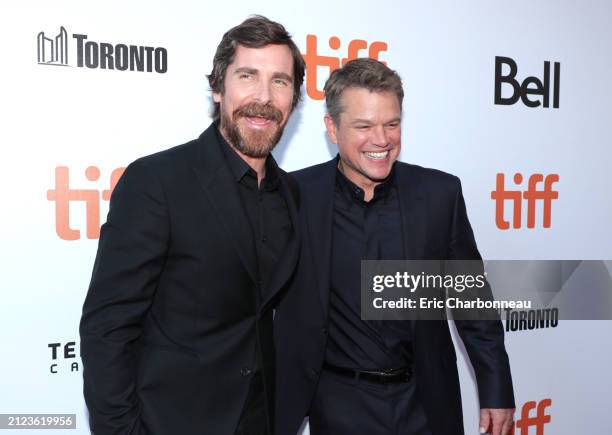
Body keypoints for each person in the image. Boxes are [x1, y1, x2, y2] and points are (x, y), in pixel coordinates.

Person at [80, 15, 305, 435]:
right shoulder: (157, 181)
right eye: (247, 76)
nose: (264, 96)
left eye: (280, 81)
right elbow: (107, 329)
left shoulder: (291, 194)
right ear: (218, 89)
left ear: (294, 97)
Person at [274, 58, 515, 435]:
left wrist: (496, 388)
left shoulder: (439, 195)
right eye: (364, 126)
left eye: (391, 124)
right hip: (337, 405)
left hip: (424, 402)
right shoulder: (294, 196)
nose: (382, 140)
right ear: (332, 129)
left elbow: (473, 301)